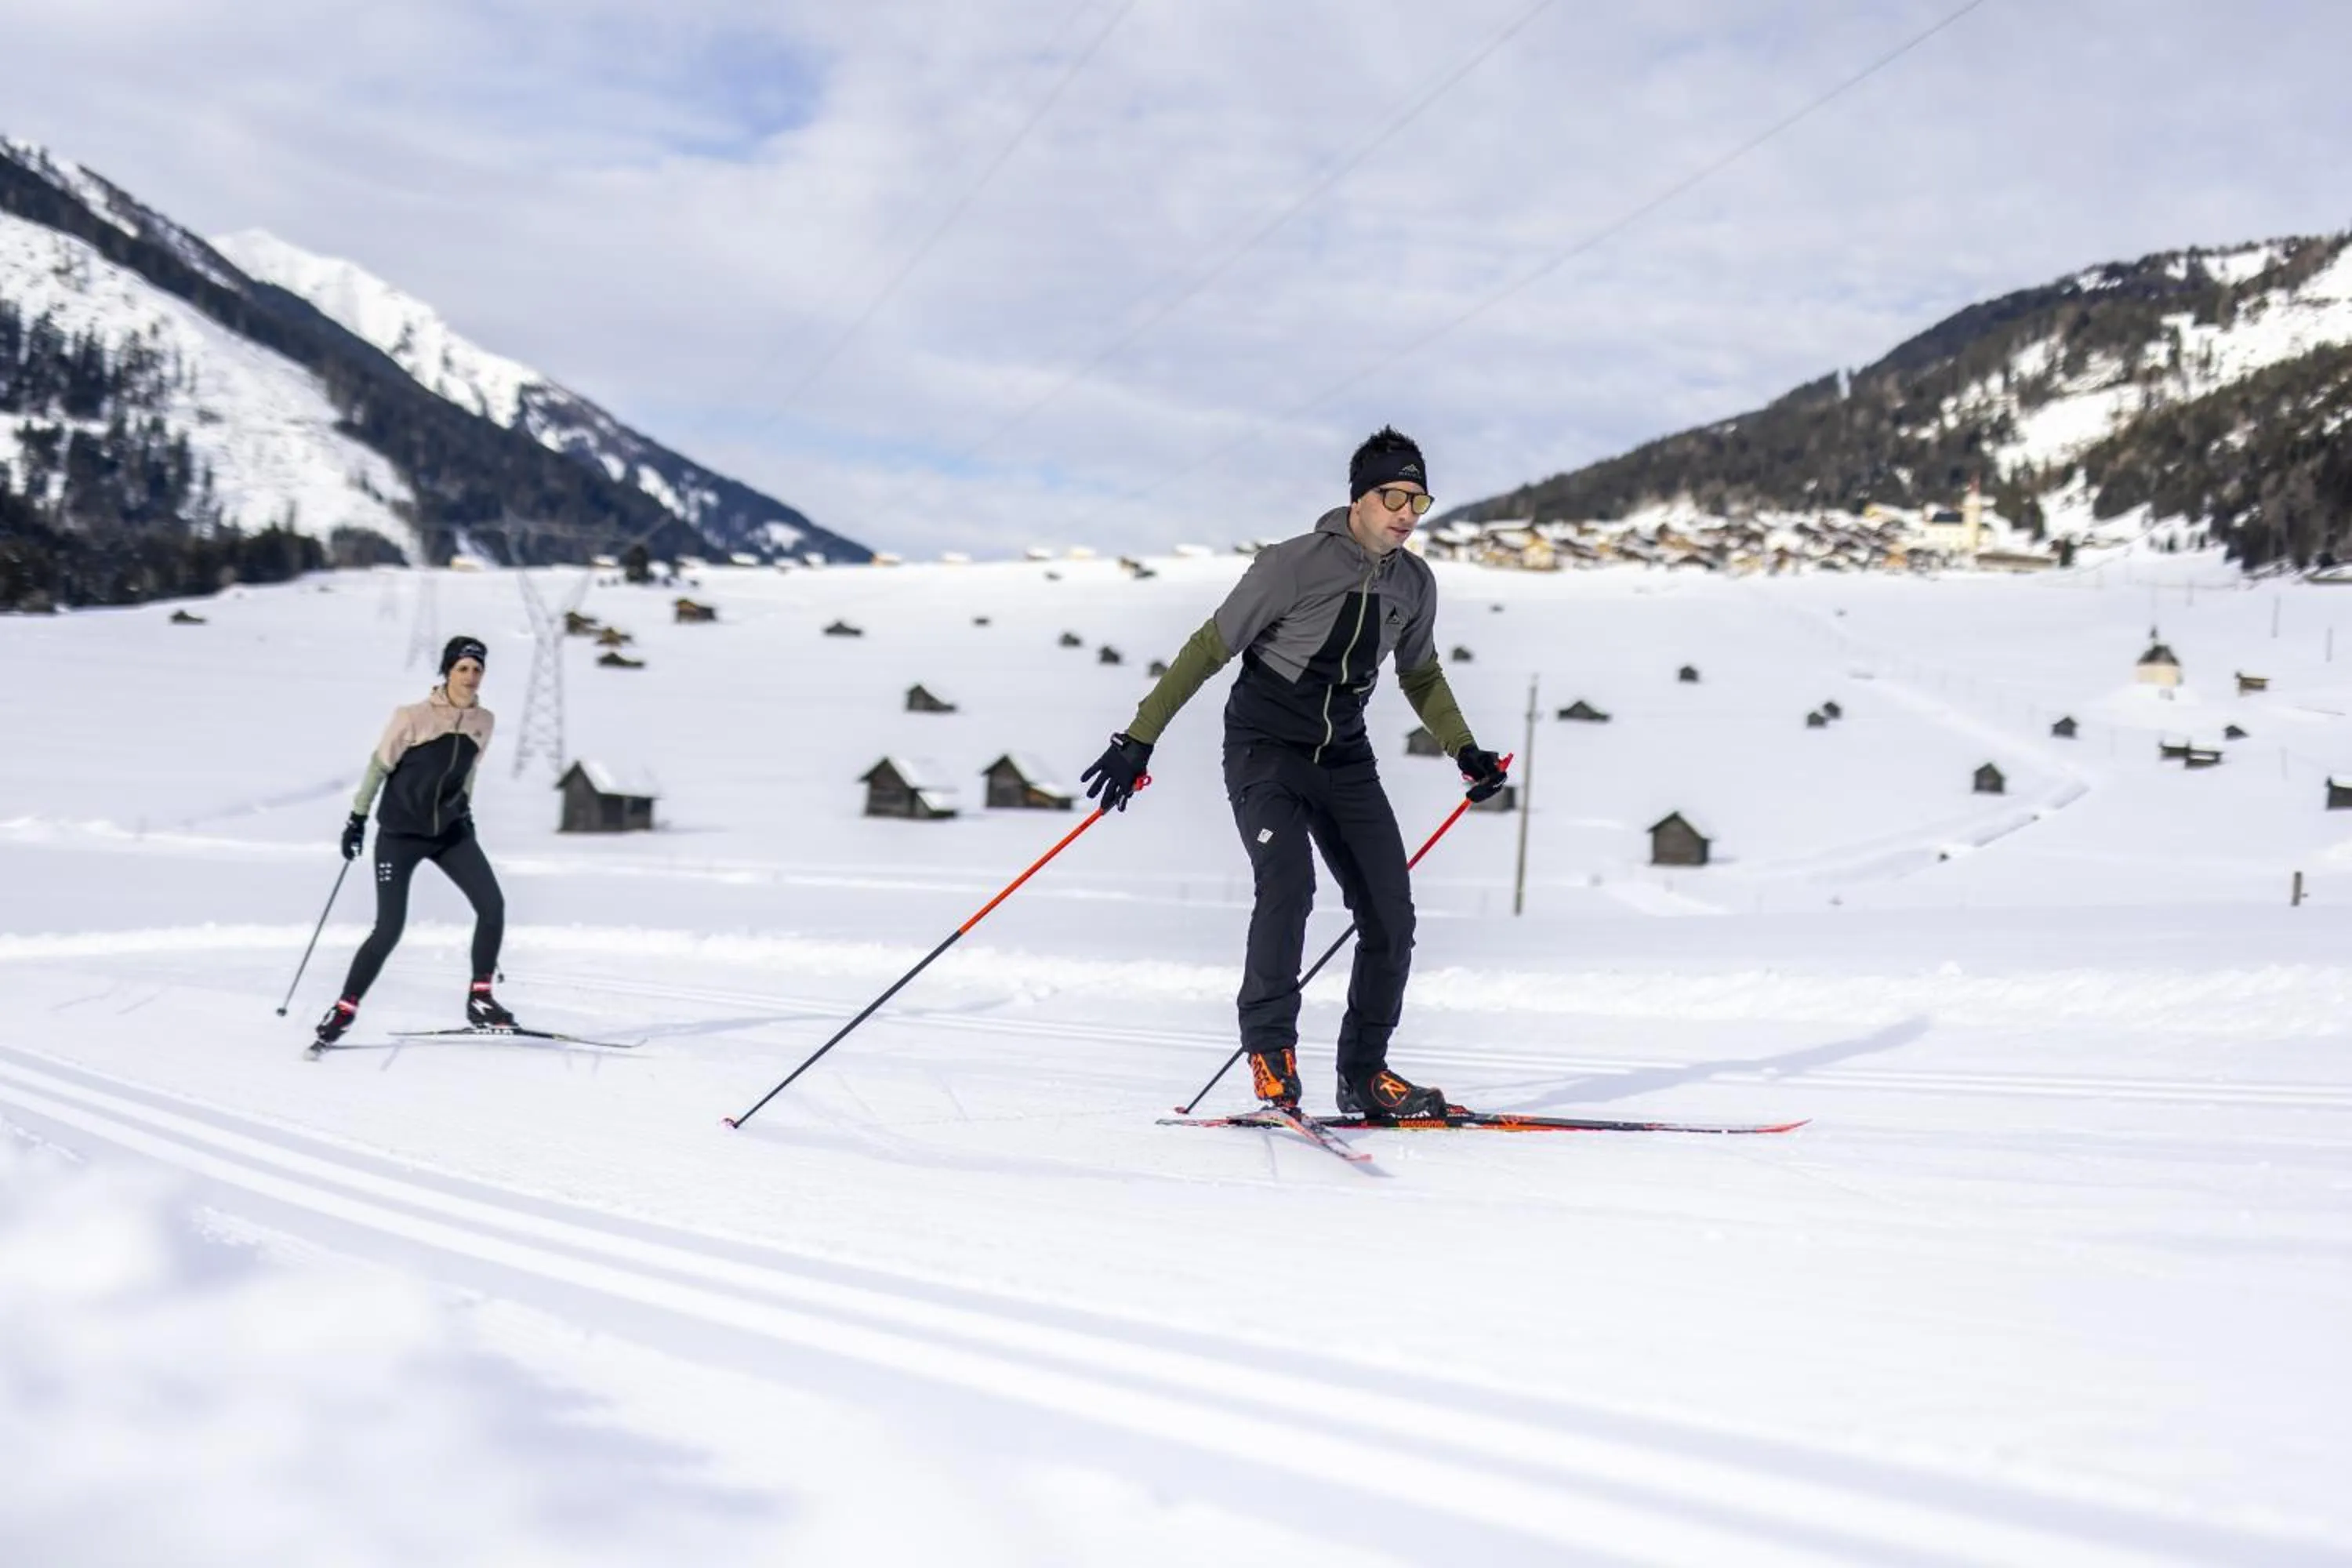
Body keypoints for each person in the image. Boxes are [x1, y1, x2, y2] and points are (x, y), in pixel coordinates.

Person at [1080, 427, 1508, 1120]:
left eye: (1418, 500)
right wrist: (1138, 739)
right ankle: (1271, 1052)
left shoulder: (1414, 583)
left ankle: (1364, 1075)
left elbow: (1421, 674)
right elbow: (1209, 647)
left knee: (1391, 915)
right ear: (1358, 498)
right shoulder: (1292, 564)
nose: (1406, 512)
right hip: (1266, 749)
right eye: (1392, 496)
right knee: (1288, 884)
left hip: (1346, 759)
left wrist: (1465, 749)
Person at [311, 635, 514, 1049]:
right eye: (462, 668)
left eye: (477, 669)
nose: (470, 676)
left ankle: (480, 998)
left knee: (492, 906)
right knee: (389, 928)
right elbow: (379, 767)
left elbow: (468, 772)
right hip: (400, 835)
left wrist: (466, 812)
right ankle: (345, 1008)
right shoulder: (413, 717)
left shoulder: (484, 721)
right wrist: (357, 819)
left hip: (450, 832)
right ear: (447, 671)